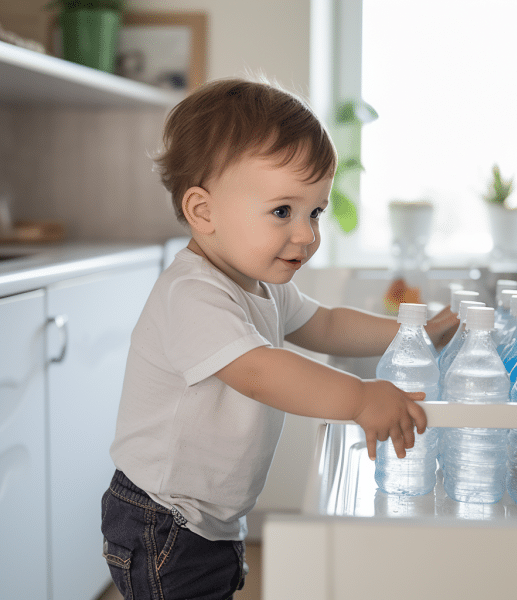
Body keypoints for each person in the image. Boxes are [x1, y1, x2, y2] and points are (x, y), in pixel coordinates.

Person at [101, 77, 459, 599]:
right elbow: (259, 372)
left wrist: (413, 333)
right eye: (282, 211)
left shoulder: (258, 285)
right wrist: (359, 398)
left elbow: (328, 323)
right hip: (163, 520)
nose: (307, 234)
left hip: (207, 520)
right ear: (203, 212)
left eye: (315, 212)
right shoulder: (192, 295)